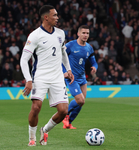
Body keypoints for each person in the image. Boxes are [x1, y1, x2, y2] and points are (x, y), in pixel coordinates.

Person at [20, 5, 74, 146]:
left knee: (63, 111)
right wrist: (29, 80)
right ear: (46, 17)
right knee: (36, 107)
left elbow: (63, 52)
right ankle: (32, 138)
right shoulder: (35, 35)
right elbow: (23, 59)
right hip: (40, 77)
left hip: (57, 77)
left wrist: (68, 69)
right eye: (55, 15)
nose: (57, 17)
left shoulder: (60, 33)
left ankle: (45, 130)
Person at [62, 25, 98, 129]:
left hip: (82, 78)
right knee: (80, 100)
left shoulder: (89, 47)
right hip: (71, 78)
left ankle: (68, 123)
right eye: (83, 33)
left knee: (81, 103)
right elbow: (60, 59)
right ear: (78, 34)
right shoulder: (70, 45)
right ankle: (65, 114)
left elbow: (94, 62)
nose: (85, 35)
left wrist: (94, 67)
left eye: (87, 33)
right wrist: (64, 72)